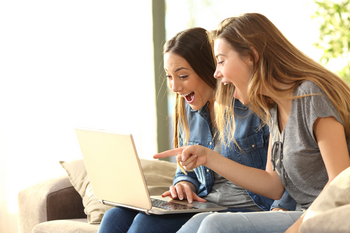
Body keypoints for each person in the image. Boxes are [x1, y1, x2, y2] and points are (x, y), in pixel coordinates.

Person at [154, 13, 350, 233]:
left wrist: (293, 230)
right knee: (196, 225)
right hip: (302, 214)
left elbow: (340, 186)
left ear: (251, 57)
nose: (216, 73)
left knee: (214, 224)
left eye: (221, 61)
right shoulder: (274, 108)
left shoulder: (310, 95)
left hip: (327, 217)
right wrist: (208, 157)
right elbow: (273, 186)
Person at [98, 27, 295, 233]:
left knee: (146, 226)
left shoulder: (252, 104)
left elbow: (288, 170)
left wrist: (280, 210)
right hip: (206, 205)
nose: (174, 87)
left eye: (182, 76)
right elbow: (187, 170)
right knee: (115, 216)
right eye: (169, 76)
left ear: (208, 68)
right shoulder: (189, 109)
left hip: (249, 209)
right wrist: (185, 184)